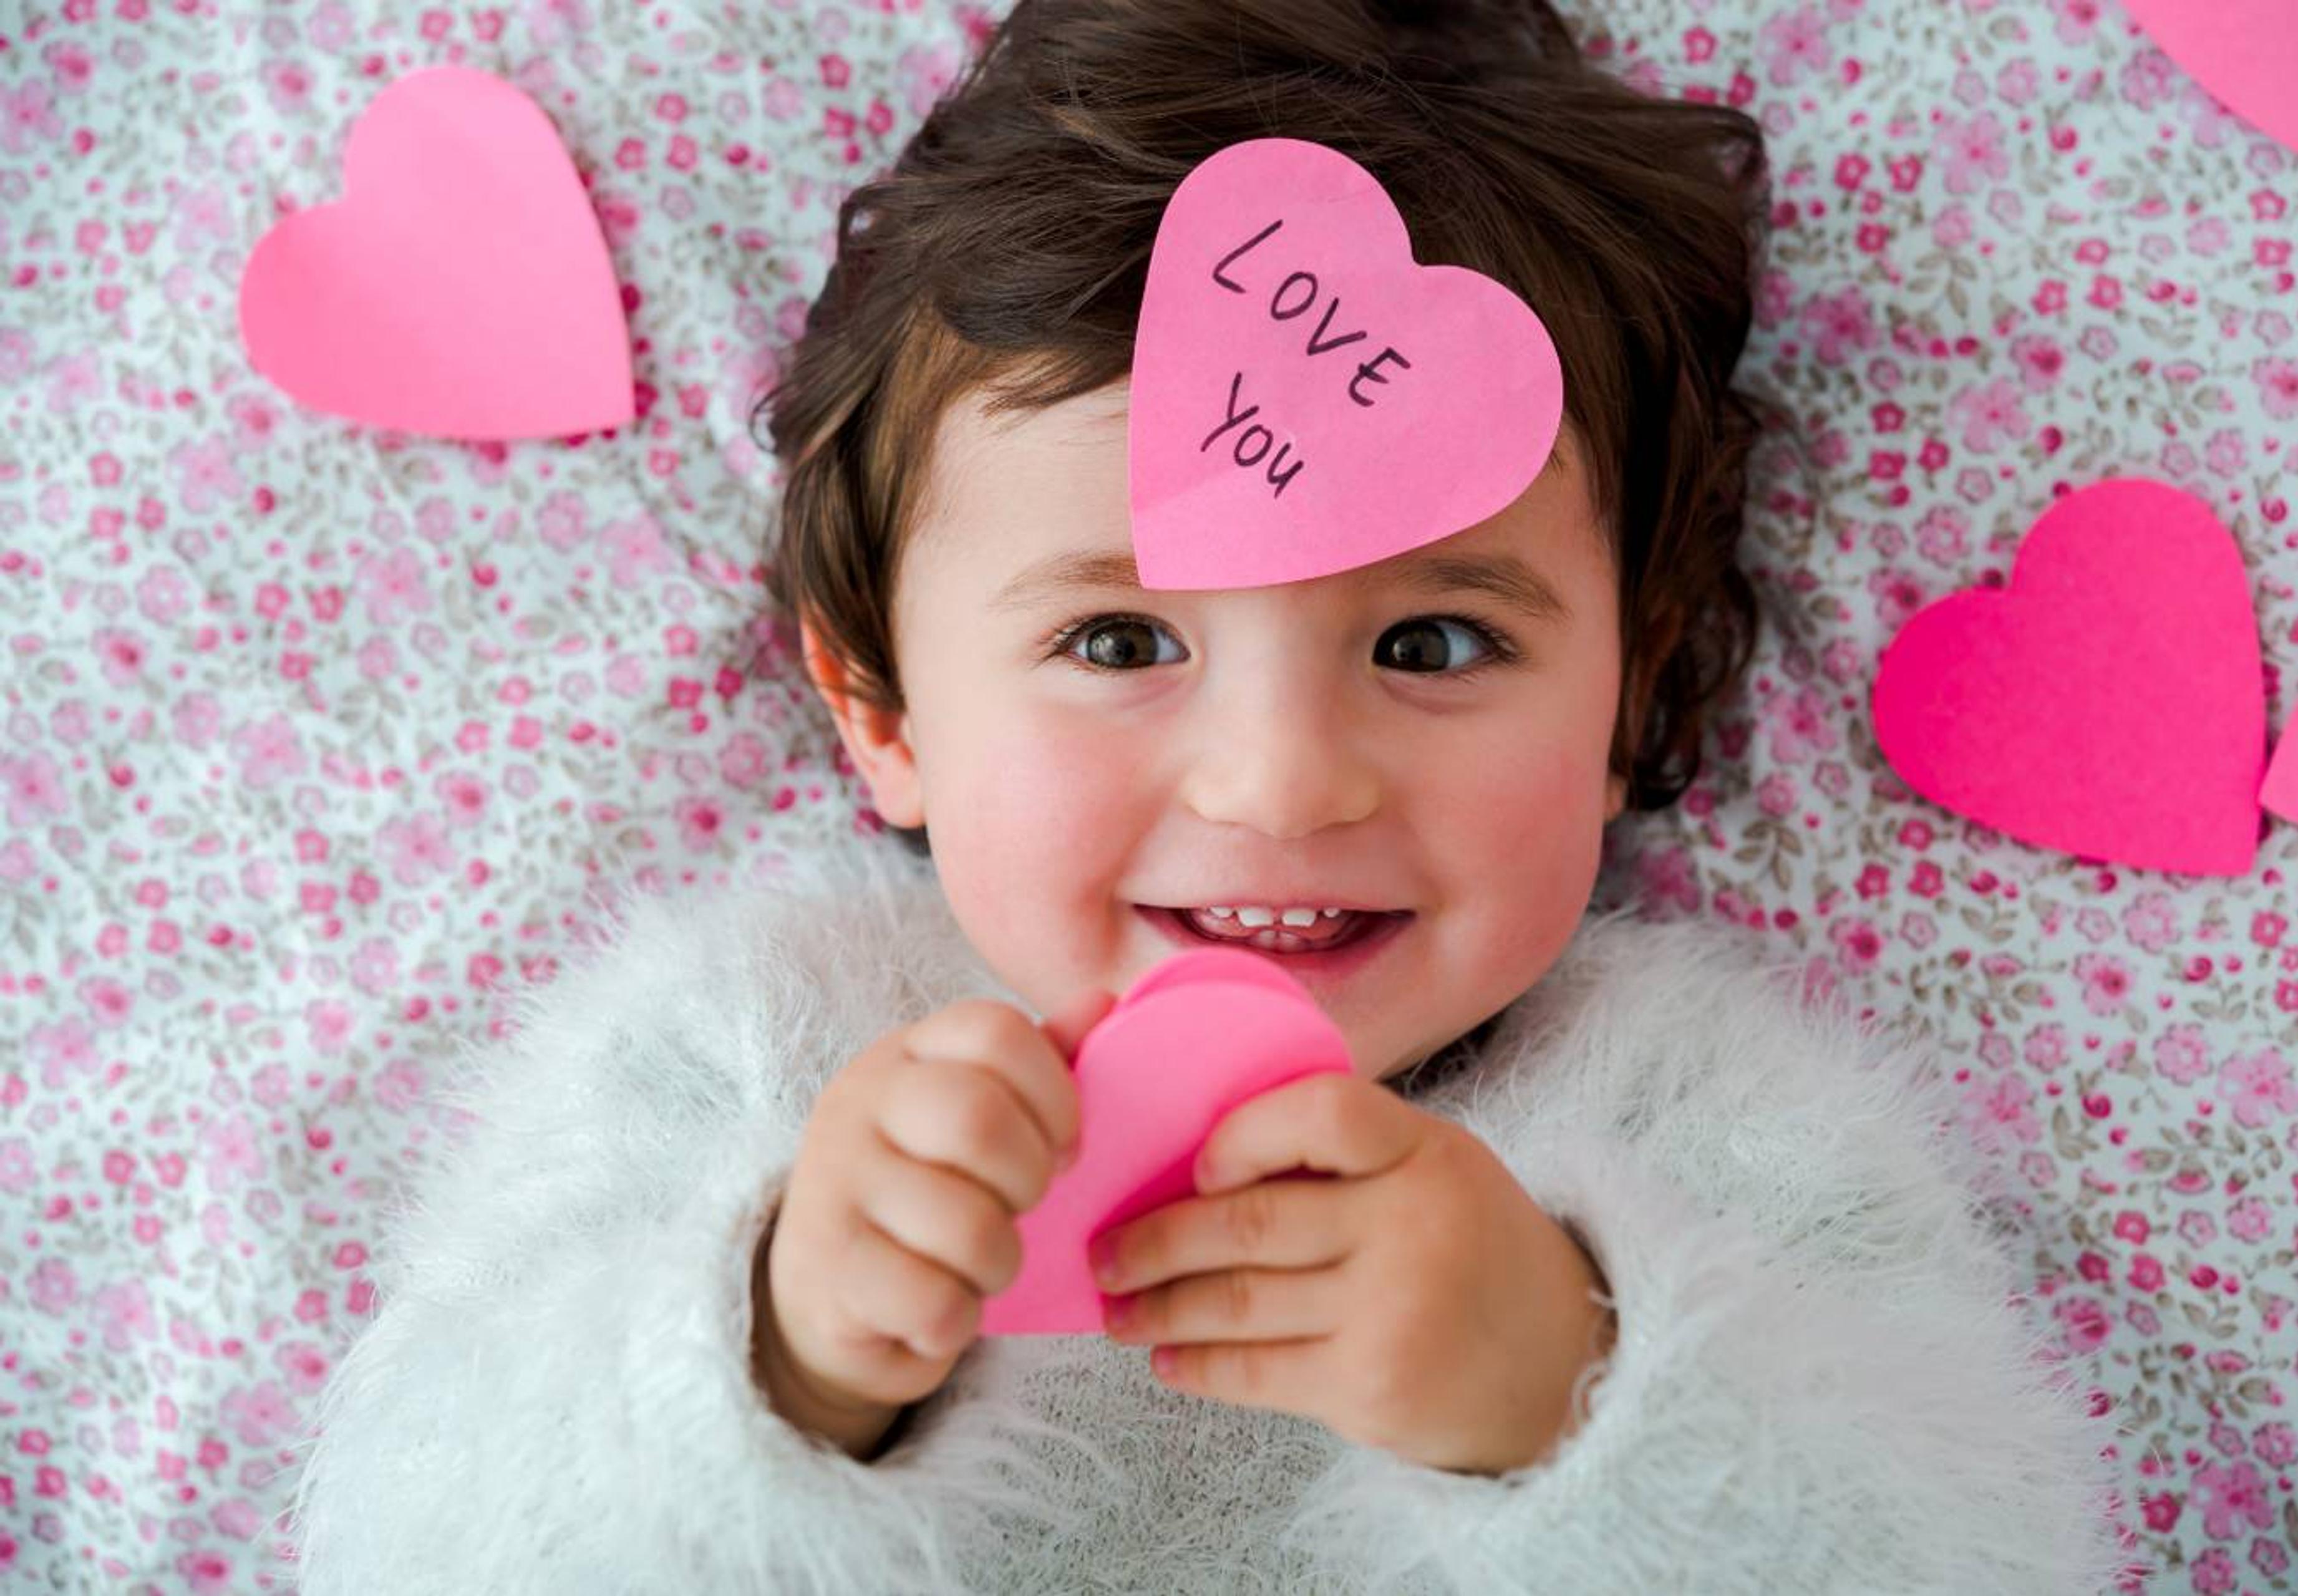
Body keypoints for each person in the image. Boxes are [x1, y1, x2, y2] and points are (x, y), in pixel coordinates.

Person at [278, 1, 2140, 1589]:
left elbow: (2005, 1547)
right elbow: (392, 1535)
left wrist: (1576, 1381)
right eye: (1113, 642)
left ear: (1631, 685)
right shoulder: (742, 1053)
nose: (1280, 778)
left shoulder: (1719, 1130)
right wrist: (771, 1351)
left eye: (1429, 645)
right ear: (882, 703)